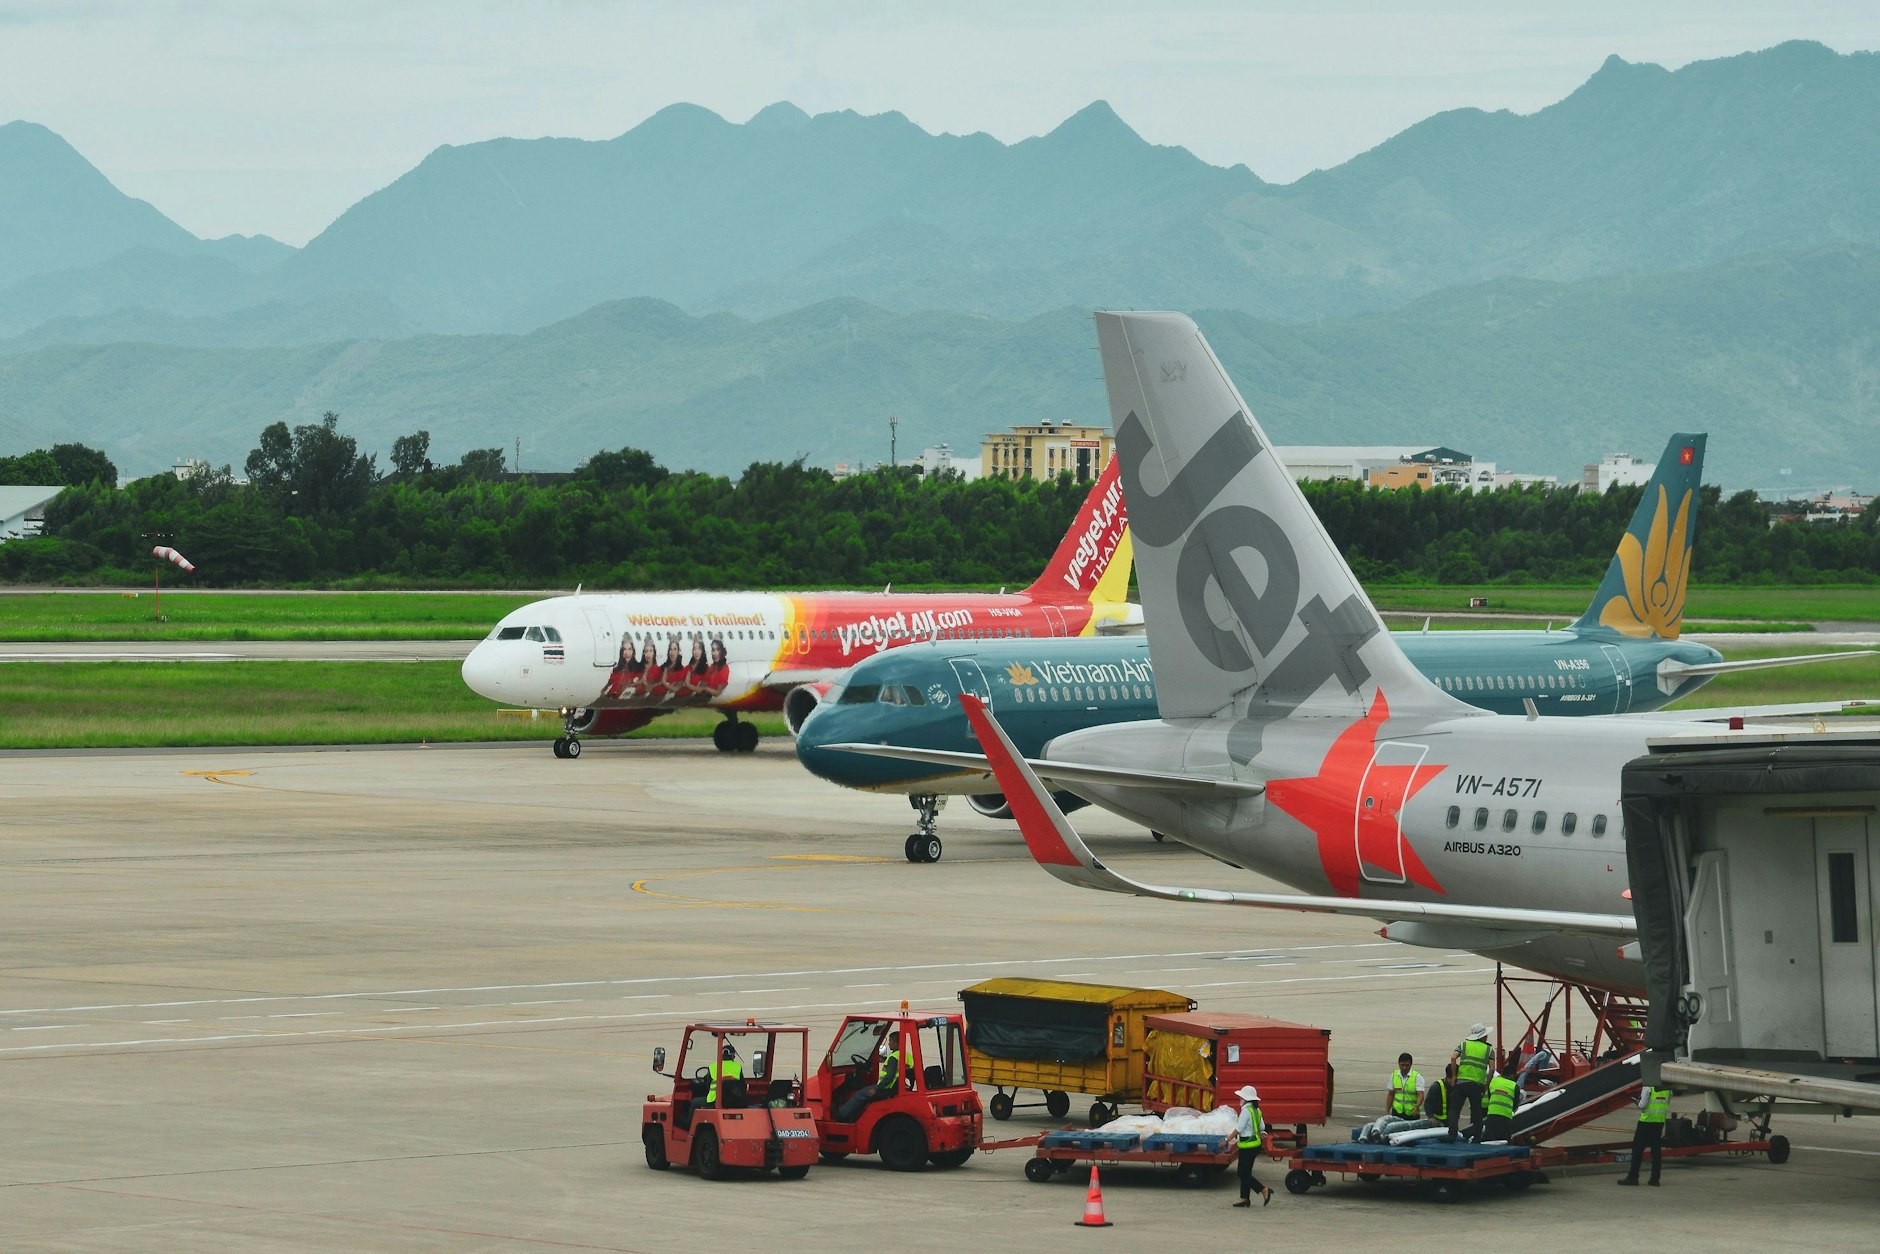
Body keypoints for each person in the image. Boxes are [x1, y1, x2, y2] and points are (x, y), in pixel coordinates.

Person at [836, 1030, 912, 1122]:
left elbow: (889, 1077)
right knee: (865, 1091)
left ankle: (841, 1115)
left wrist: (877, 1089)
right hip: (898, 1087)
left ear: (896, 1043)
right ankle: (855, 1117)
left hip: (887, 1088)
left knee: (860, 1094)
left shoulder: (893, 1058)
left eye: (890, 1041)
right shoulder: (907, 1056)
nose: (889, 1043)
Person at [1617, 1083, 1672, 1186]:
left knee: (1637, 1150)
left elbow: (1642, 1105)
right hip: (1659, 1121)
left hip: (1646, 1122)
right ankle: (1655, 1179)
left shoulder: (1648, 1087)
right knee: (1656, 1151)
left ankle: (1633, 1177)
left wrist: (1636, 1101)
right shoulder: (1668, 1088)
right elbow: (1667, 1102)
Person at [1449, 1022, 1493, 1139]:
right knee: (1476, 1112)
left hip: (1461, 1082)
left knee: (1454, 1109)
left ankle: (1452, 1134)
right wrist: (1486, 1085)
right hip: (1476, 1084)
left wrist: (1454, 1076)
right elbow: (1492, 1069)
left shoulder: (1463, 1045)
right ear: (1482, 1036)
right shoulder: (1488, 1049)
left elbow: (1453, 1057)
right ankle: (1477, 1137)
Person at [1231, 1085, 1272, 1208]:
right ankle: (1244, 1198)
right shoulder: (1256, 1110)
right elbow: (1262, 1127)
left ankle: (1263, 1190)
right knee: (1246, 1172)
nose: (1239, 1099)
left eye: (1241, 1098)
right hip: (1255, 1145)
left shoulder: (1245, 1111)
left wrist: (1227, 1139)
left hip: (1247, 1146)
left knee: (1242, 1173)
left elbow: (1239, 1128)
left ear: (1246, 1099)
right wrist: (1261, 1132)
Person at [1480, 1064, 1519, 1142]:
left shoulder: (1493, 1081)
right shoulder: (1514, 1086)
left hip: (1491, 1115)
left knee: (1488, 1140)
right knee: (1504, 1141)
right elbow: (1515, 1105)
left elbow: (1490, 1096)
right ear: (1512, 1075)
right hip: (1505, 1117)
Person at [1385, 1052, 1426, 1119]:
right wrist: (1387, 1111)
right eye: (1402, 1065)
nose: (1404, 1068)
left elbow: (1420, 1095)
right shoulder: (1394, 1075)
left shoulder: (1417, 1077)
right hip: (1397, 1112)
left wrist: (1416, 1106)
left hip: (1412, 1113)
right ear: (1398, 1063)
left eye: (1407, 1065)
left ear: (1411, 1064)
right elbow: (1390, 1094)